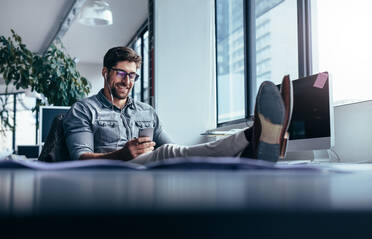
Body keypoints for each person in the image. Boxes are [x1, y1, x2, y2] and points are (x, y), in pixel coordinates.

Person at [63, 47, 292, 164]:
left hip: (147, 172)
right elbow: (80, 159)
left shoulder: (146, 112)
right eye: (121, 73)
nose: (127, 81)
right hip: (111, 175)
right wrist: (122, 154)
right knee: (166, 153)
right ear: (105, 72)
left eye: (133, 76)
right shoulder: (84, 110)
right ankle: (252, 136)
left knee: (182, 160)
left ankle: (247, 154)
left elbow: (179, 153)